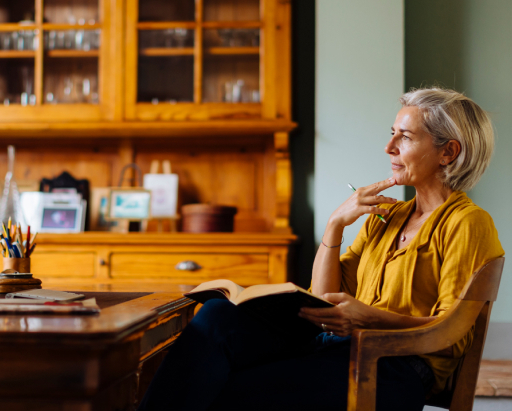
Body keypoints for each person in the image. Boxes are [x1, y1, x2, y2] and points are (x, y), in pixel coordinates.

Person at [138, 88, 504, 411]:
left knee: (223, 388)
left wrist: (368, 318)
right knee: (218, 317)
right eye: (391, 134)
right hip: (339, 349)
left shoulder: (467, 223)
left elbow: (449, 332)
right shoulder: (387, 216)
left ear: (448, 152)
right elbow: (326, 296)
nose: (389, 147)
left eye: (404, 137)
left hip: (397, 369)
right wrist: (335, 224)